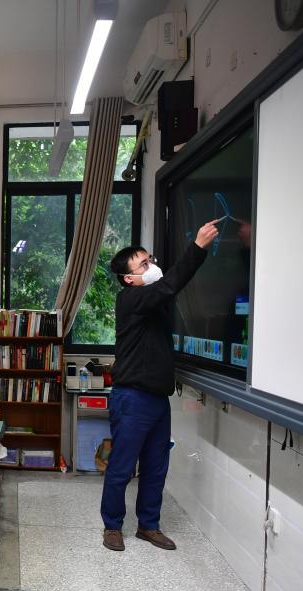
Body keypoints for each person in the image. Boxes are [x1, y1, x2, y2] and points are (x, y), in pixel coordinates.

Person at [100, 219, 220, 553]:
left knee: (156, 467)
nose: (151, 265)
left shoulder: (153, 300)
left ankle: (148, 526)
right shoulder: (130, 299)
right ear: (129, 278)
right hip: (132, 398)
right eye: (144, 264)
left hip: (156, 400)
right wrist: (197, 248)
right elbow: (169, 286)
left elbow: (167, 290)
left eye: (150, 259)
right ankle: (112, 526)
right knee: (122, 466)